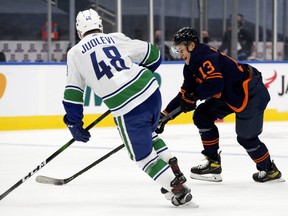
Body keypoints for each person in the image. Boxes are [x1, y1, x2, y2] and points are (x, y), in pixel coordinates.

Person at [62, 9, 195, 206]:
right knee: (148, 133)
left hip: (127, 107)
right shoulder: (114, 38)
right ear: (100, 25)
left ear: (79, 31)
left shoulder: (75, 53)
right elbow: (154, 54)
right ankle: (171, 164)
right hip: (151, 91)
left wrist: (74, 124)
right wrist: (131, 77)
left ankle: (179, 190)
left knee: (142, 158)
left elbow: (73, 94)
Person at [156, 27, 284, 183]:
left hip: (251, 94)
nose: (180, 54)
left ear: (191, 45)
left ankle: (270, 170)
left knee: (246, 138)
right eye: (178, 50)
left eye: (181, 49)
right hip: (232, 94)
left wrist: (194, 96)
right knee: (202, 115)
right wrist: (164, 116)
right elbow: (184, 95)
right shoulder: (190, 65)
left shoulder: (203, 57)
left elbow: (215, 84)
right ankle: (213, 163)